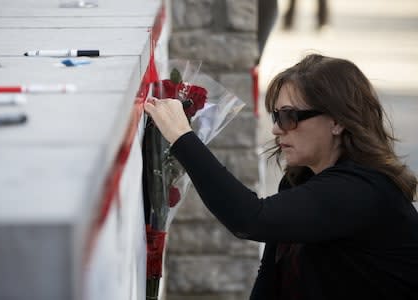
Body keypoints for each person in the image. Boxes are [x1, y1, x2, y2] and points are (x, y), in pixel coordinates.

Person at [144, 54, 418, 299]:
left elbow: (250, 219)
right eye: (276, 116)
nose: (276, 129)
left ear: (337, 121)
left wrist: (182, 137)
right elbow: (272, 272)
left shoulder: (361, 190)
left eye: (289, 117)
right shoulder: (301, 178)